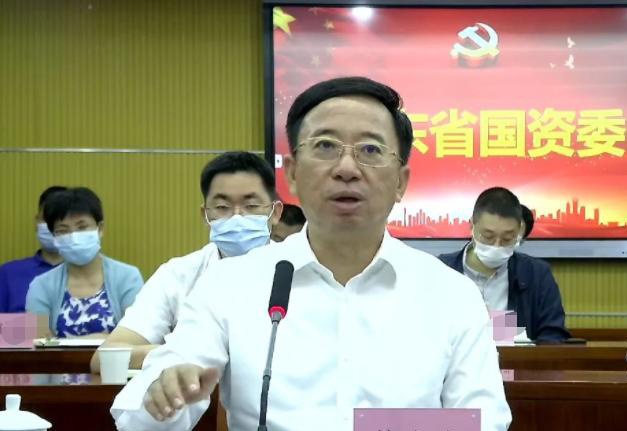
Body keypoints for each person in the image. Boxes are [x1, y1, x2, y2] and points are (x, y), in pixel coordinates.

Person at [111, 77, 511, 431]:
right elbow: (136, 416)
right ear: (292, 174)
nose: (347, 168)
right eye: (325, 146)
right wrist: (162, 394)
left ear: (400, 182)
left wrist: (375, 426)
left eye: (371, 150)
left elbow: (484, 419)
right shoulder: (231, 283)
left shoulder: (450, 293)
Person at [90, 152, 283, 373]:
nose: (237, 217)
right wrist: (185, 353)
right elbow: (105, 357)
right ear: (205, 215)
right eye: (222, 207)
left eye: (251, 206)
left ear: (275, 212)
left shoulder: (300, 269)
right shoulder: (178, 275)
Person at [439, 187, 570, 343]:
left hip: (516, 358)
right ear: (472, 226)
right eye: (488, 236)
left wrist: (521, 347)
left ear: (519, 232)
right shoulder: (440, 270)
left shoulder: (537, 275)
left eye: (507, 239)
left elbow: (553, 336)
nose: (497, 246)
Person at [25, 187, 143, 338]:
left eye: (82, 227)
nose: (73, 237)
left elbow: (136, 335)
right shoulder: (41, 285)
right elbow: (38, 342)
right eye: (63, 230)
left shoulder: (128, 277)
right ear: (54, 237)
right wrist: (101, 339)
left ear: (100, 229)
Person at [0, 186, 67, 313]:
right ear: (37, 221)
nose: (53, 227)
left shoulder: (96, 275)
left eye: (61, 220)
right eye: (47, 218)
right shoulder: (7, 274)